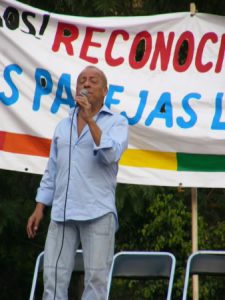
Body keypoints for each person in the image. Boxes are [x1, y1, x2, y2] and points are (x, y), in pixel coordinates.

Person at [26, 65, 129, 300]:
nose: (86, 84)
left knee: (96, 281)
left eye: (93, 81)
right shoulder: (63, 126)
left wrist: (91, 120)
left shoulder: (117, 122)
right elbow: (53, 169)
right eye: (82, 80)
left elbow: (110, 155)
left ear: (105, 91)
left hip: (97, 211)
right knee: (52, 277)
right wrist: (40, 206)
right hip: (62, 212)